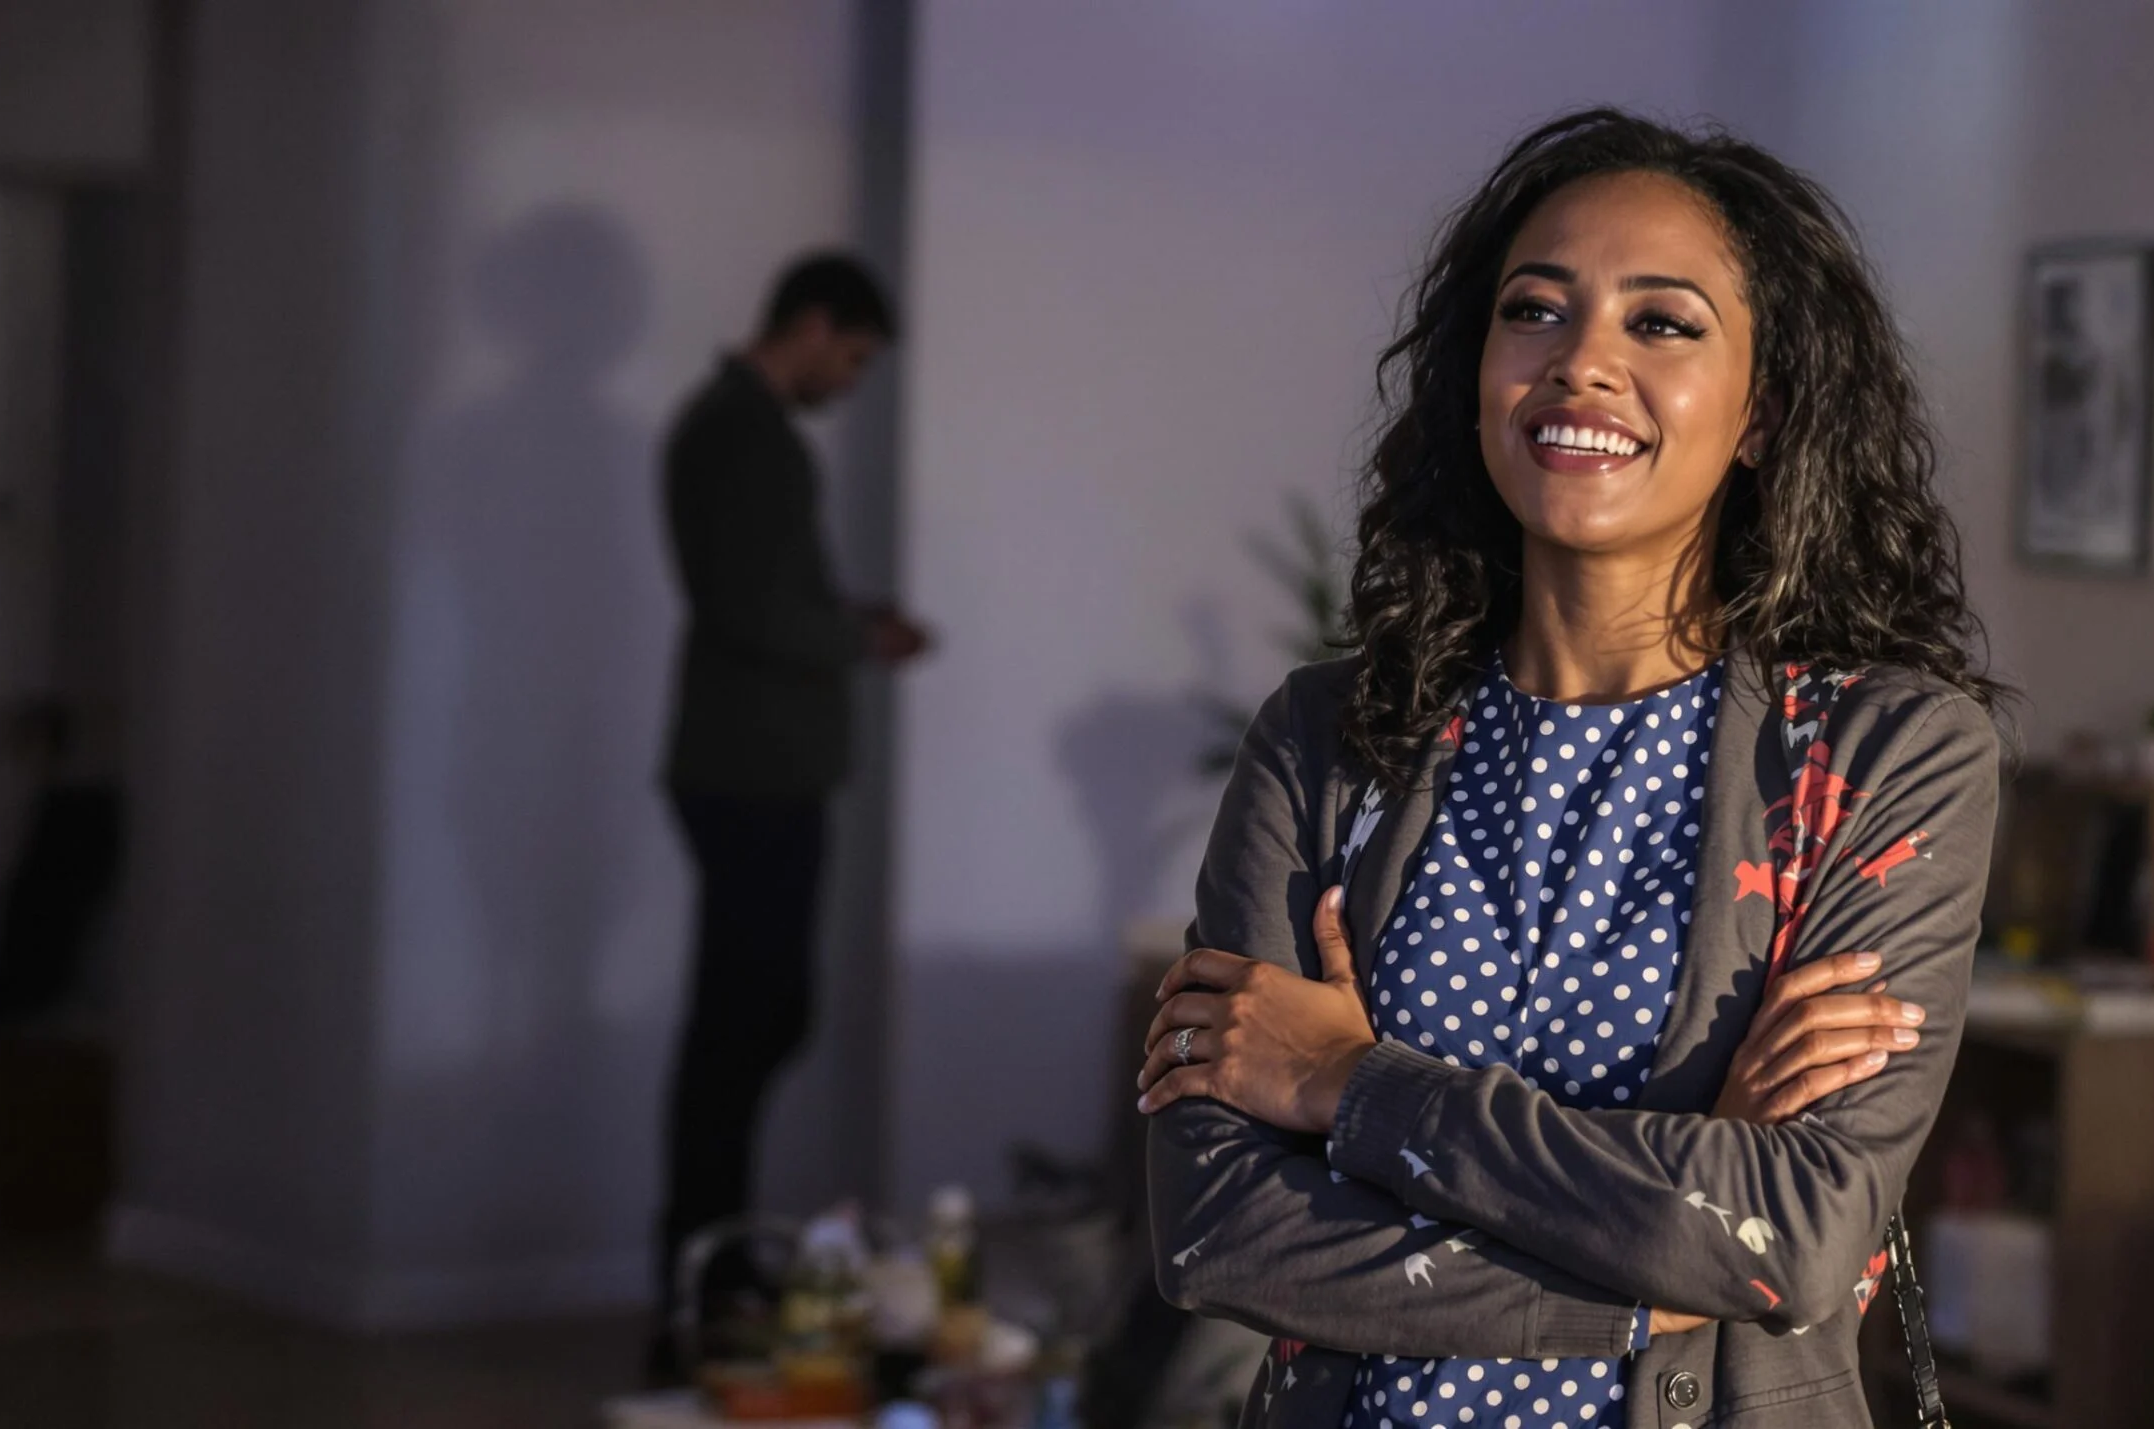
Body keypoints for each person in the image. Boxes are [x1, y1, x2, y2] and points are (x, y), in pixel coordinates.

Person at [1136, 111, 2005, 1429]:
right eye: (1535, 310)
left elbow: (1794, 1235)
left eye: (1662, 323)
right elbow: (1218, 1231)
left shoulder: (1882, 757)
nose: (1583, 363)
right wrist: (1664, 1261)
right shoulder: (1324, 738)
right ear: (1477, 368)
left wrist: (1344, 1087)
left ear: (1762, 410)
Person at [654, 253, 930, 1356]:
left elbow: (761, 597)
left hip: (756, 769)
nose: (849, 382)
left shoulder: (739, 431)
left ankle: (717, 1266)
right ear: (813, 326)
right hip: (749, 771)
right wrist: (863, 636)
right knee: (741, 1027)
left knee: (754, 1018)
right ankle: (707, 1278)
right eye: (852, 359)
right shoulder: (740, 433)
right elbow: (748, 611)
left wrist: (844, 617)